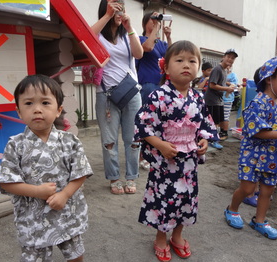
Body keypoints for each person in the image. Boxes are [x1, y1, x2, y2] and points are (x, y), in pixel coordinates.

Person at [0, 75, 93, 262]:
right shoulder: (16, 145)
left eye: (45, 103)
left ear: (58, 110)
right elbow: (5, 181)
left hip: (66, 210)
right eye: (28, 103)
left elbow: (81, 172)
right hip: (33, 217)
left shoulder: (70, 141)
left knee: (75, 253)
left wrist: (65, 195)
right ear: (19, 112)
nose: (37, 109)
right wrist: (36, 191)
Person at [135, 40, 218, 261]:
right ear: (166, 67)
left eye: (192, 61)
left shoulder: (198, 97)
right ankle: (161, 237)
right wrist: (160, 145)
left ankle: (177, 236)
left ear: (198, 67)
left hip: (188, 163)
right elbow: (143, 125)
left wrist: (203, 141)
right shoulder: (159, 95)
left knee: (186, 199)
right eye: (179, 60)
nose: (186, 65)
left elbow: (204, 126)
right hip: (165, 161)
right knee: (165, 199)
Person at [224, 56, 277, 240]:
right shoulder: (258, 103)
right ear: (270, 78)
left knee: (268, 190)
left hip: (273, 157)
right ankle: (232, 210)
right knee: (247, 188)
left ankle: (259, 220)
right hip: (252, 156)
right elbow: (255, 131)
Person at [91, 0, 143, 194]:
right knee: (109, 140)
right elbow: (85, 38)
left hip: (131, 93)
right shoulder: (98, 34)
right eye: (115, 6)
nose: (119, 10)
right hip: (106, 94)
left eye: (121, 7)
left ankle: (131, 177)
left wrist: (130, 29)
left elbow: (138, 54)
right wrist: (106, 16)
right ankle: (114, 178)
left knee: (133, 139)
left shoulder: (128, 33)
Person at [136, 11, 172, 171]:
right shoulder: (141, 39)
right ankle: (141, 155)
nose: (156, 22)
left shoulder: (161, 43)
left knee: (159, 122)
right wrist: (156, 29)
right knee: (146, 121)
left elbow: (172, 56)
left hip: (161, 86)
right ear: (145, 23)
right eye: (153, 20)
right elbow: (147, 47)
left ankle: (152, 152)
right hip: (147, 85)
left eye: (157, 20)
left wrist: (168, 36)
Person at [204, 49, 237, 149]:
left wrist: (229, 85)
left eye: (232, 58)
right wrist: (227, 88)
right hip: (212, 100)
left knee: (217, 122)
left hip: (219, 100)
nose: (230, 59)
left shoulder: (224, 70)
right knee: (213, 122)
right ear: (223, 57)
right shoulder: (217, 69)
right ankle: (212, 140)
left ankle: (213, 138)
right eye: (228, 57)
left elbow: (220, 83)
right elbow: (212, 85)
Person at [221, 66, 239, 140]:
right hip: (219, 98)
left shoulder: (233, 75)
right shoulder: (220, 74)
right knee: (220, 116)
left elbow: (234, 85)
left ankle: (225, 132)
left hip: (228, 98)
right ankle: (221, 131)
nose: (227, 67)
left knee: (225, 116)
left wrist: (225, 82)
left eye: (229, 66)